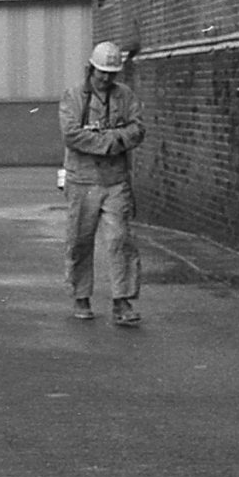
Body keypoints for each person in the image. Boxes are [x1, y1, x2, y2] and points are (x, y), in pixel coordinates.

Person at [60, 40, 146, 326]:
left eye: (112, 74)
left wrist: (107, 139)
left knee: (120, 239)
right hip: (82, 180)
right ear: (90, 69)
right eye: (102, 73)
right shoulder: (73, 97)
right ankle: (81, 295)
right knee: (79, 240)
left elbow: (137, 129)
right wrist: (111, 142)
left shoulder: (125, 96)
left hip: (115, 180)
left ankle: (122, 300)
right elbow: (72, 135)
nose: (107, 79)